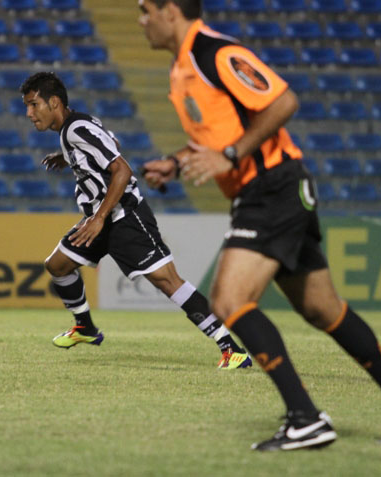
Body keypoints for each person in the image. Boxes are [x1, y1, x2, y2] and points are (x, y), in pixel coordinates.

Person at [137, 0, 381, 450]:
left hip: (272, 187)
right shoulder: (182, 69)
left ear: (170, 11)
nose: (141, 22)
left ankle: (305, 417)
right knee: (323, 309)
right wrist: (178, 162)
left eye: (145, 11)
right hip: (266, 191)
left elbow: (282, 101)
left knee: (229, 302)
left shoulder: (215, 53)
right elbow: (219, 135)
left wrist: (232, 156)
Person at [19, 71, 252, 370]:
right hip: (101, 216)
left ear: (54, 102)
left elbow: (122, 170)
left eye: (33, 104)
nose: (28, 113)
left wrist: (100, 217)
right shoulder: (75, 126)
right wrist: (69, 157)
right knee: (58, 265)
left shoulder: (75, 129)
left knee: (168, 282)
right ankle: (86, 329)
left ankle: (232, 348)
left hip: (124, 216)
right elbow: (110, 141)